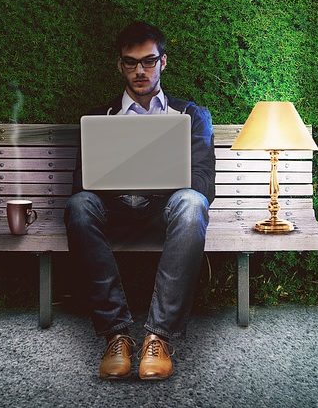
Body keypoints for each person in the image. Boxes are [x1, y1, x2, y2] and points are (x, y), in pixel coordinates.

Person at [64, 21, 215, 380]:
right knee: (79, 206)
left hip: (165, 211)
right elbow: (80, 183)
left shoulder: (191, 115)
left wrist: (159, 179)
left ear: (163, 62)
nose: (139, 71)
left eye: (148, 61)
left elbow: (204, 182)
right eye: (130, 63)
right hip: (114, 208)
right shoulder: (101, 118)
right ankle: (116, 334)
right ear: (120, 65)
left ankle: (158, 337)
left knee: (192, 204)